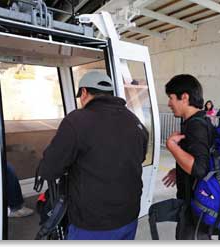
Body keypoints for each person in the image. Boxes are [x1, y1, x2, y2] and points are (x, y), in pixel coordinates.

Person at [38, 71, 149, 240]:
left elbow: (49, 169)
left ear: (84, 92)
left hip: (91, 222)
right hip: (129, 216)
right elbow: (138, 158)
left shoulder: (76, 120)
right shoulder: (134, 120)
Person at [162, 74, 212, 240]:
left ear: (184, 97)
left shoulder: (196, 125)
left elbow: (199, 168)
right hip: (196, 203)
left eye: (171, 98)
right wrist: (180, 169)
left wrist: (172, 147)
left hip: (196, 206)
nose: (169, 103)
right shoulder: (199, 120)